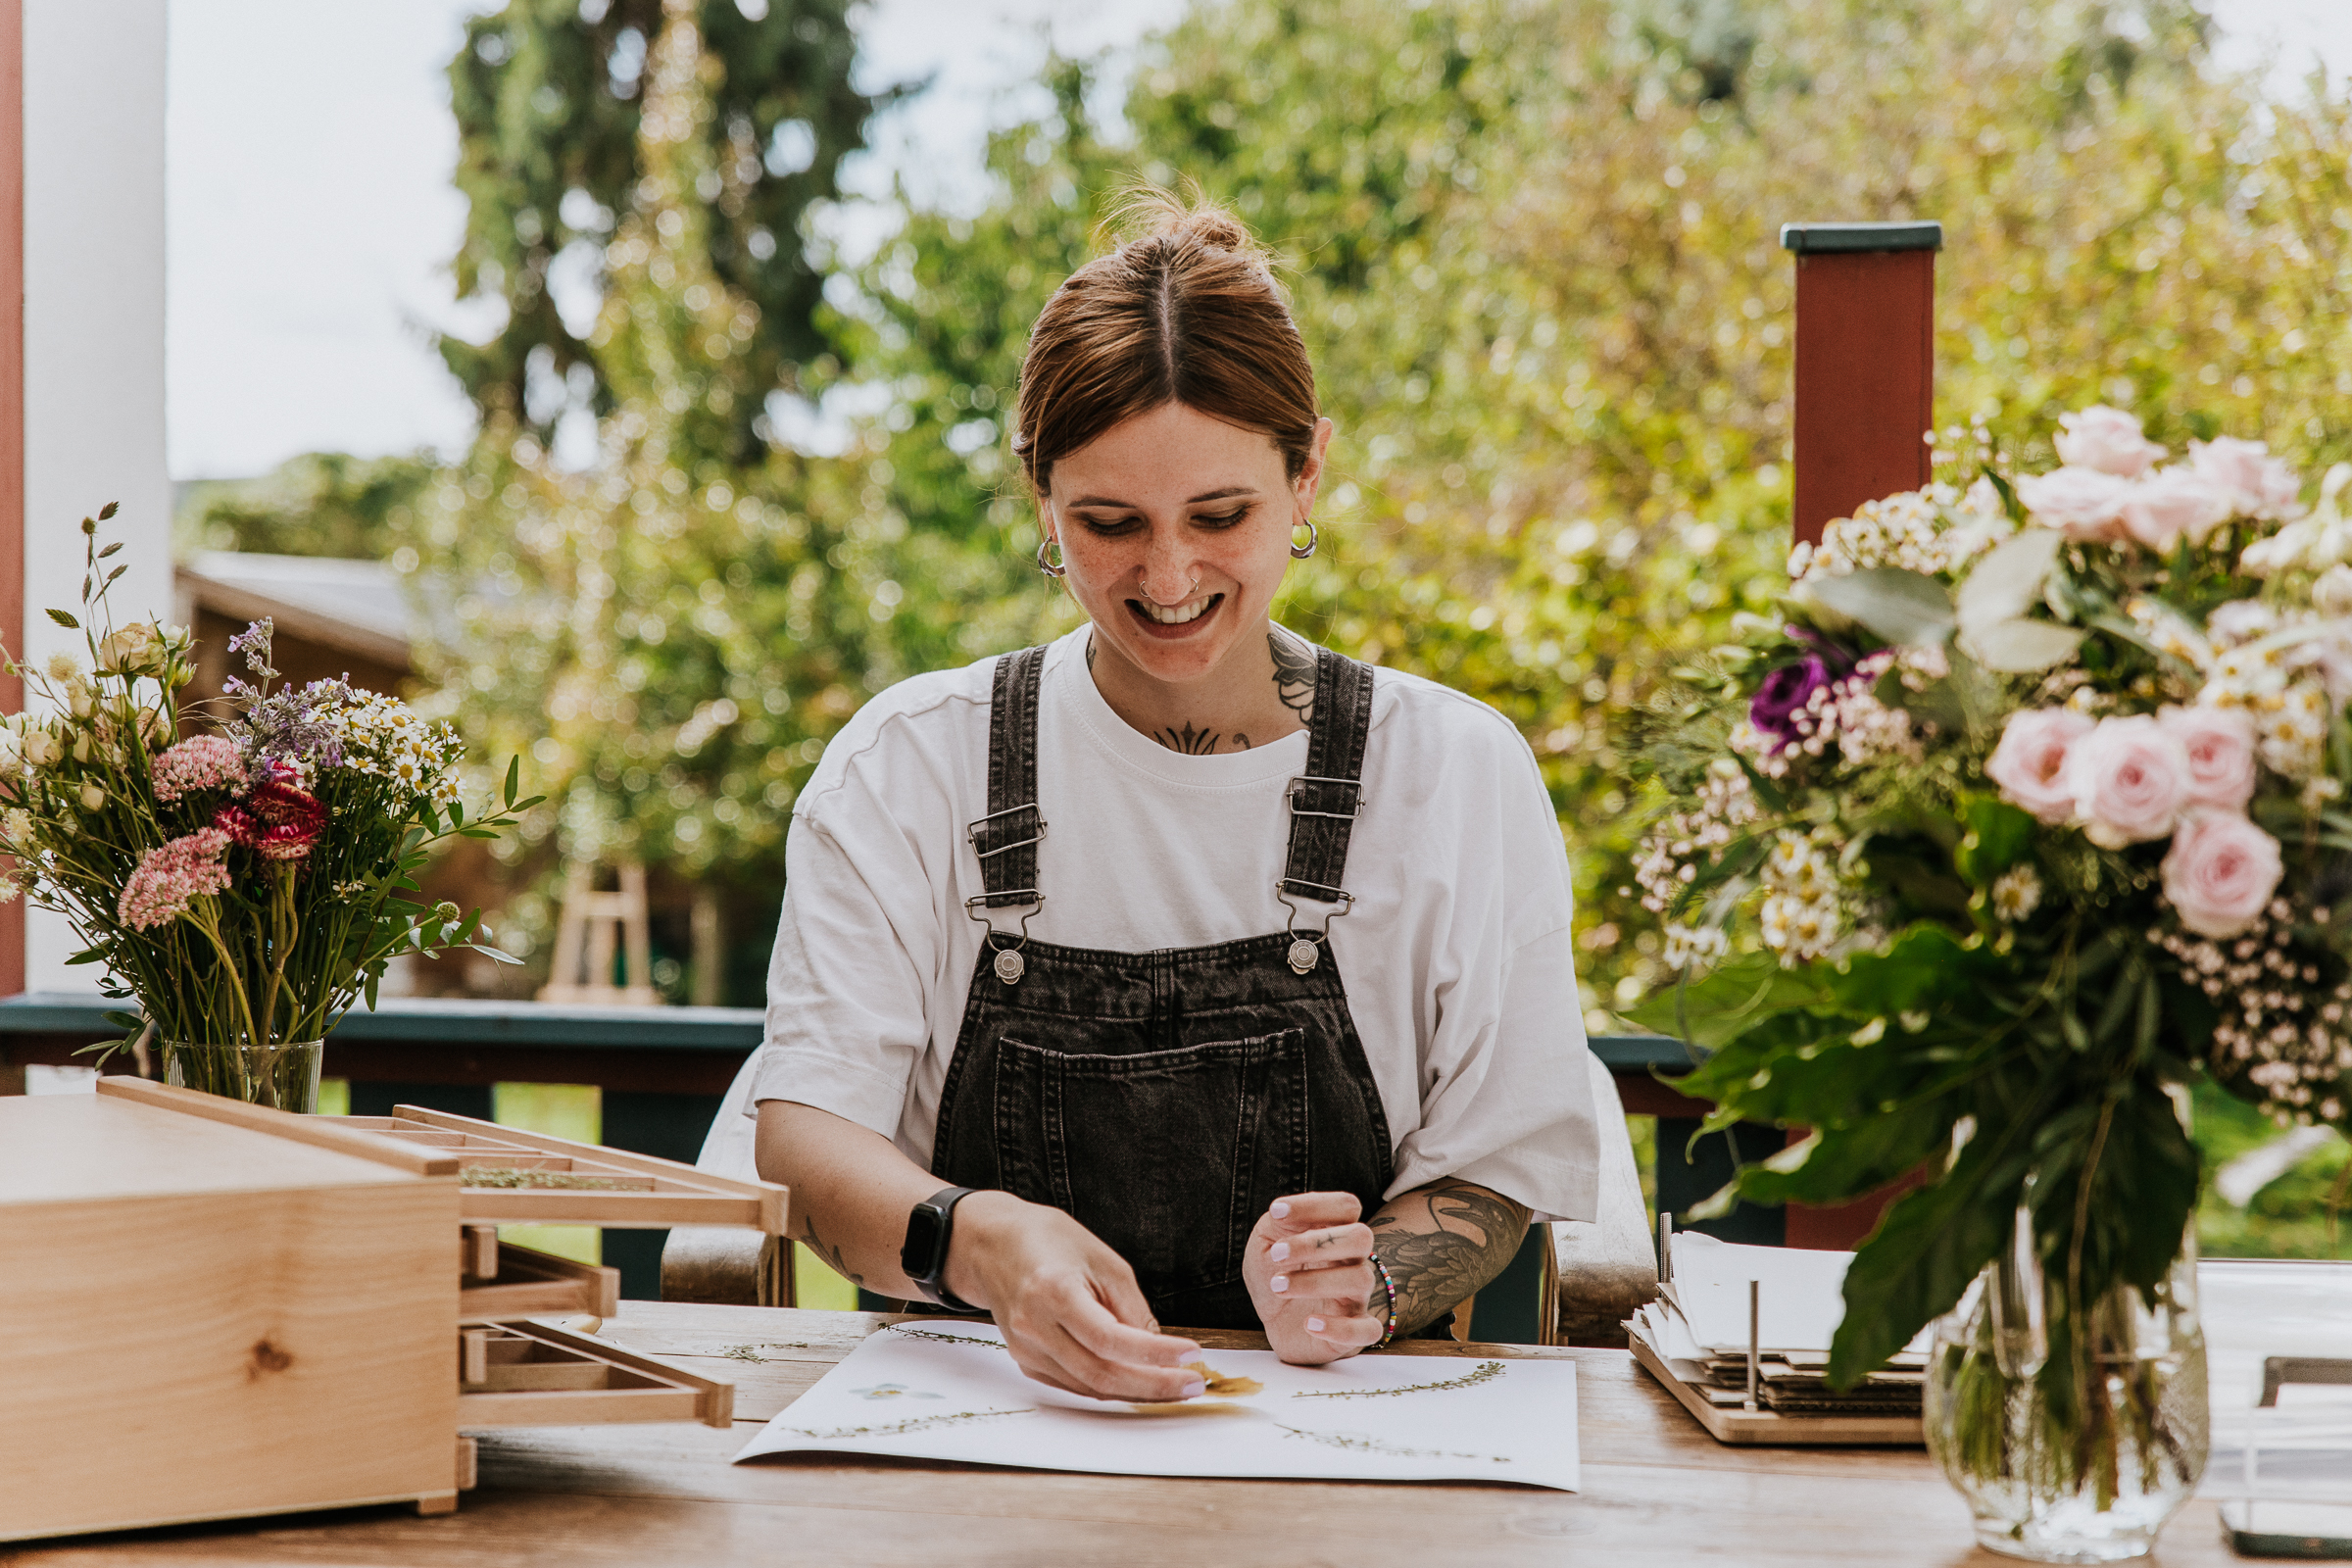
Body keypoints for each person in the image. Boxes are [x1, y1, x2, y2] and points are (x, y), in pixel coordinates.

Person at [750, 188, 1598, 1404]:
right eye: (1109, 522)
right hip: (977, 1431)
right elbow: (806, 1138)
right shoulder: (908, 767)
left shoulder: (1453, 771)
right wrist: (980, 1241)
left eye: (1221, 515)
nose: (1167, 575)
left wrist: (1371, 1282)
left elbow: (1499, 1163)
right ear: (1041, 498)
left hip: (1339, 1447)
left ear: (1307, 478)